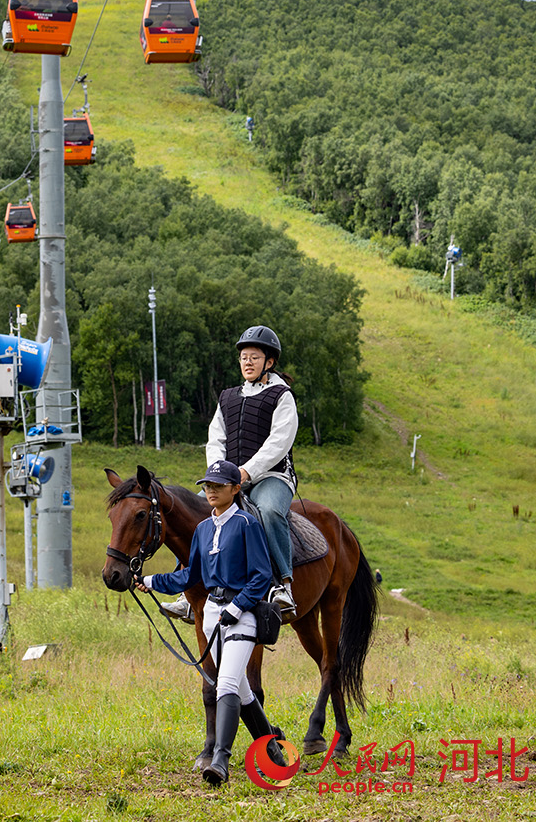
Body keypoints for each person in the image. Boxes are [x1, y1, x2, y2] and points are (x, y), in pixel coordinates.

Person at [138, 460, 279, 787]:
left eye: (218, 486)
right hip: (212, 613)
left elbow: (261, 576)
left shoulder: (247, 524)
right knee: (240, 689)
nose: (211, 491)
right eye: (207, 486)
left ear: (235, 489)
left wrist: (239, 606)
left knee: (226, 683)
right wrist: (150, 580)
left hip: (241, 614)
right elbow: (191, 576)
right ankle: (272, 747)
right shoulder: (203, 529)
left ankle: (220, 760)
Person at [208, 325, 298, 620]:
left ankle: (284, 585)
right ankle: (189, 589)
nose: (247, 362)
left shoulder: (281, 395)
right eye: (244, 357)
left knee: (270, 511)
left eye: (254, 357)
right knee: (197, 512)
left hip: (272, 476)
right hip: (230, 479)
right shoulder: (227, 397)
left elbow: (279, 442)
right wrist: (216, 473)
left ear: (269, 362)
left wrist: (246, 472)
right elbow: (216, 438)